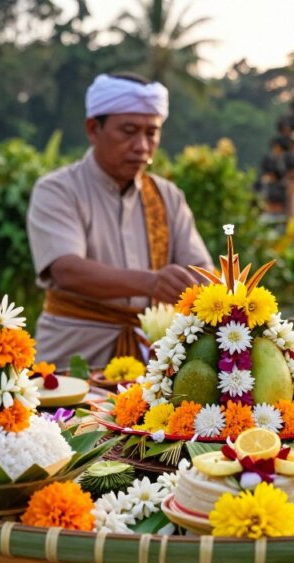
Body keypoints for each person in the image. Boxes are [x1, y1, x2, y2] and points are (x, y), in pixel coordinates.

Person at [27, 73, 212, 368]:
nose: (141, 146)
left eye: (151, 133)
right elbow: (66, 270)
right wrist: (152, 283)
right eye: (128, 131)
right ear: (93, 129)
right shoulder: (58, 190)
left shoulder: (167, 197)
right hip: (71, 362)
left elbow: (202, 271)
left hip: (154, 362)